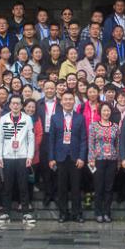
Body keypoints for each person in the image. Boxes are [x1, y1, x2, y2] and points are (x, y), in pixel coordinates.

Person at [0, 95, 36, 224]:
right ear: (9, 105)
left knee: (23, 185)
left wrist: (30, 156)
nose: (15, 105)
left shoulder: (27, 119)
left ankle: (25, 213)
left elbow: (31, 139)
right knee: (7, 186)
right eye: (13, 103)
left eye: (18, 103)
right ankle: (6, 213)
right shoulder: (3, 119)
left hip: (22, 157)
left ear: (21, 106)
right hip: (7, 157)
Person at [49, 92, 86, 223]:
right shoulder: (55, 118)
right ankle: (63, 213)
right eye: (66, 99)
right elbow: (51, 139)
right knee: (62, 188)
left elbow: (83, 139)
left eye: (71, 99)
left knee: (76, 187)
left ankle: (77, 213)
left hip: (76, 158)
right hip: (60, 158)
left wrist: (82, 157)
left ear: (74, 102)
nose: (68, 101)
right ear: (61, 102)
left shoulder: (80, 118)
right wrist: (51, 158)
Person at [88, 102, 121, 223]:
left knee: (109, 187)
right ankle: (98, 212)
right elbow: (91, 143)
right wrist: (91, 159)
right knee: (99, 187)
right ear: (100, 112)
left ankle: (107, 212)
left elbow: (117, 145)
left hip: (112, 160)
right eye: (104, 111)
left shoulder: (115, 127)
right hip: (98, 160)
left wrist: (118, 160)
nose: (106, 113)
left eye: (108, 111)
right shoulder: (93, 126)